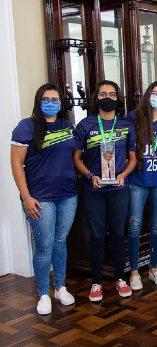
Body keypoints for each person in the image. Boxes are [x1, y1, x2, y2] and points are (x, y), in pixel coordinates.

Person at [11, 83, 77, 315]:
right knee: (44, 246)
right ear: (39, 102)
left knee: (60, 243)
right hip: (39, 198)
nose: (51, 103)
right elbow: (16, 164)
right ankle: (43, 293)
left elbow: (76, 156)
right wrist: (26, 197)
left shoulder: (68, 126)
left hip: (68, 195)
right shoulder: (25, 127)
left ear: (61, 103)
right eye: (46, 99)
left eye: (55, 99)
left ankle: (60, 287)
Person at [73, 80, 137, 301]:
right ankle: (96, 282)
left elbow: (133, 158)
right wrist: (90, 176)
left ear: (118, 99)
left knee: (119, 234)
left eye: (111, 94)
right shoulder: (85, 125)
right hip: (94, 189)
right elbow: (76, 158)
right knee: (97, 235)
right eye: (102, 94)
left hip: (118, 187)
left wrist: (123, 175)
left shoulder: (126, 125)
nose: (107, 98)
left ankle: (120, 278)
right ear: (96, 98)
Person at [126, 81, 157, 290]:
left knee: (156, 226)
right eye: (154, 93)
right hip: (137, 180)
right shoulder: (134, 118)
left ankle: (154, 268)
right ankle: (134, 272)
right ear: (147, 95)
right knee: (135, 226)